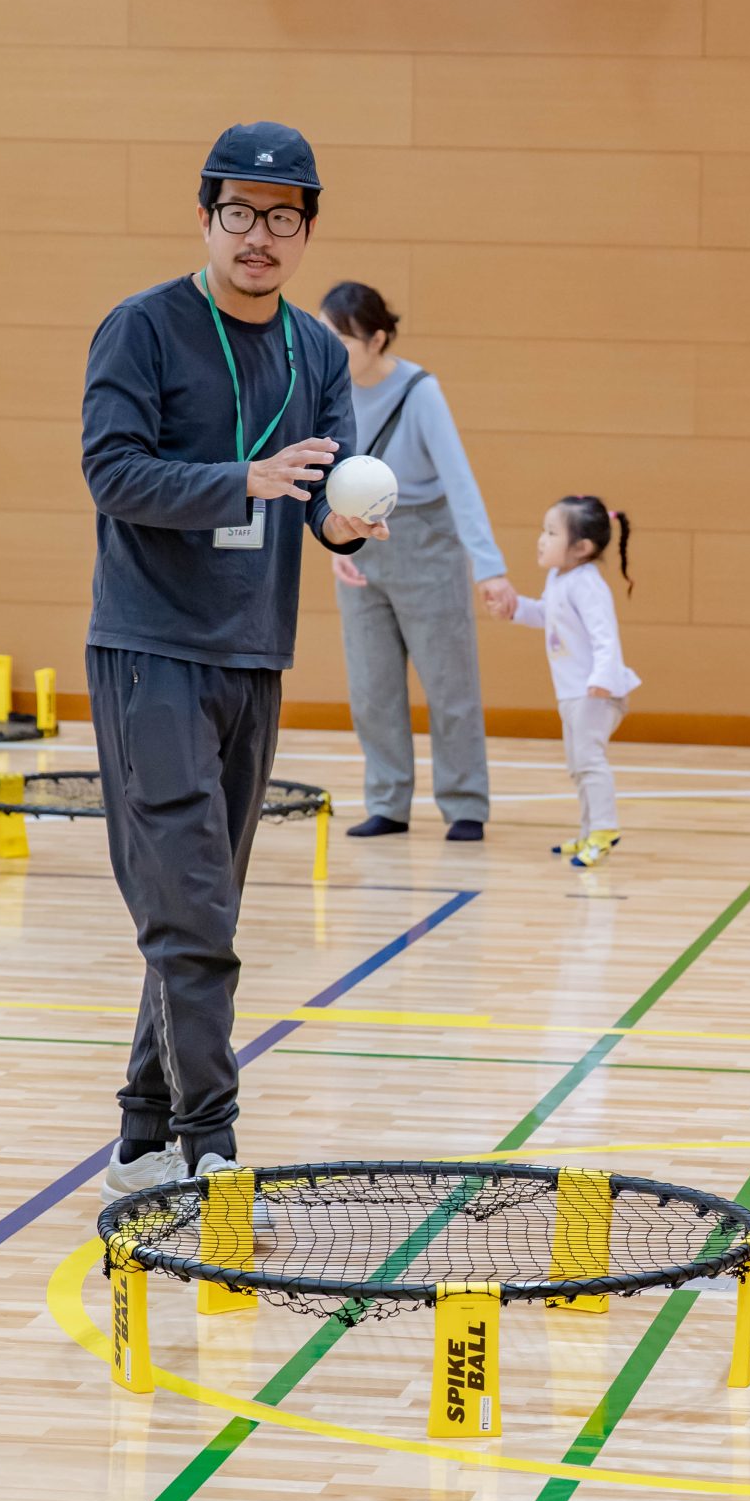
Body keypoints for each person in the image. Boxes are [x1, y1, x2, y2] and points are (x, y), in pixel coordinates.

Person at [84, 122, 388, 1204]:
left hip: (252, 654)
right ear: (205, 217)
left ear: (306, 231)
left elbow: (326, 494)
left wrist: (349, 527)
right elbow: (111, 472)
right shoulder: (143, 328)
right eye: (239, 214)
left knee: (194, 906)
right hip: (148, 650)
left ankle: (139, 1133)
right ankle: (210, 1141)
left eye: (282, 218)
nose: (259, 236)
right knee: (196, 907)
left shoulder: (314, 351)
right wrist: (241, 479)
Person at [320, 280, 516, 843]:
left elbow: (460, 481)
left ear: (377, 338)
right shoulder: (327, 388)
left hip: (427, 541)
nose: (330, 348)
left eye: (342, 338)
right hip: (359, 541)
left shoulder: (419, 389)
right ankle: (387, 802)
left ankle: (465, 804)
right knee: (371, 687)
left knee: (449, 685)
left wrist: (489, 565)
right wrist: (334, 543)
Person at [491, 495, 638, 868]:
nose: (541, 539)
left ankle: (604, 830)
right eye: (544, 530)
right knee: (578, 765)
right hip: (573, 693)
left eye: (552, 532)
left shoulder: (588, 585)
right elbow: (547, 615)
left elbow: (606, 636)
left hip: (595, 693)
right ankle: (589, 832)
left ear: (582, 548)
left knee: (589, 762)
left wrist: (601, 680)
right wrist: (515, 609)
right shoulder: (560, 578)